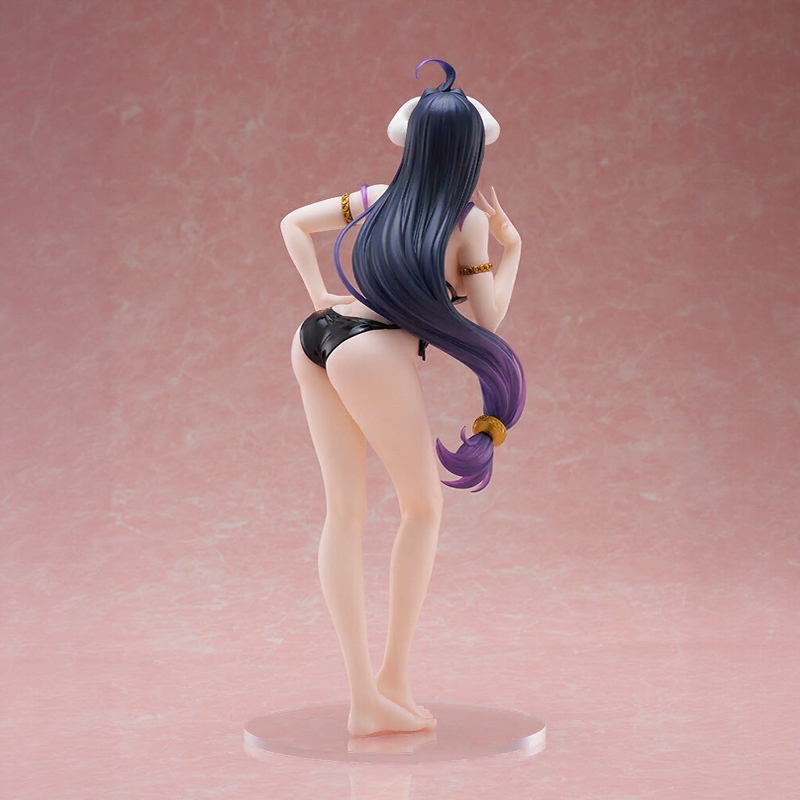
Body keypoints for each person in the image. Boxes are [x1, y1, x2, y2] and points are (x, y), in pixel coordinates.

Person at [280, 59, 525, 737]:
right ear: (468, 152)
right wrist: (512, 251)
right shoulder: (467, 223)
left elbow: (293, 224)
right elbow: (490, 318)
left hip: (316, 336)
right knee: (422, 507)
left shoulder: (377, 197)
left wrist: (319, 295)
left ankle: (371, 695)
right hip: (372, 350)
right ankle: (388, 680)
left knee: (345, 512)